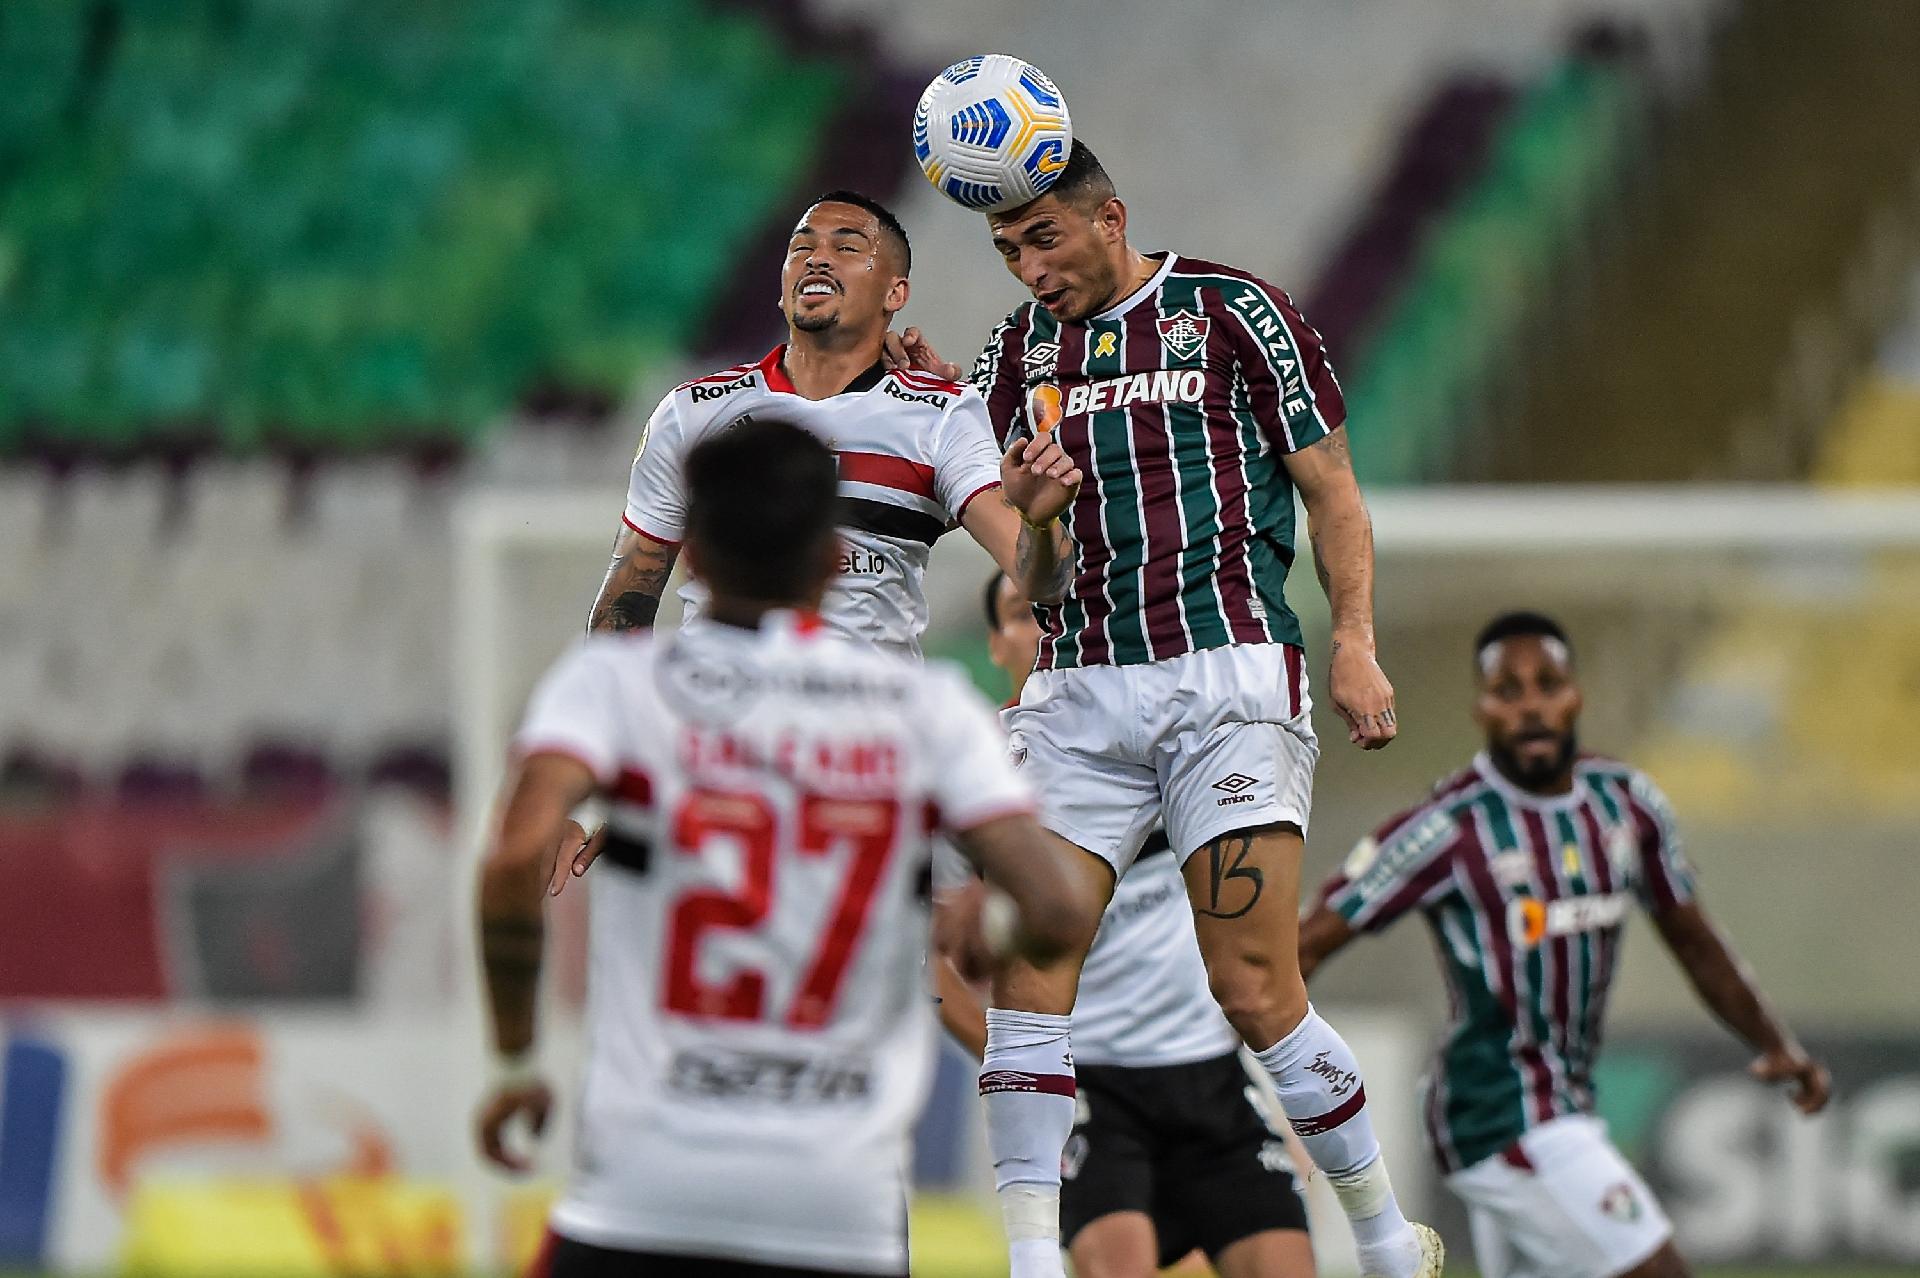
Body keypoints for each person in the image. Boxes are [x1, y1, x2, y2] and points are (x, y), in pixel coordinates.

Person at [891, 141, 1439, 1278]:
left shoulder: (1233, 311)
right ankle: (1036, 1263)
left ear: (1109, 217)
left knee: (1253, 984)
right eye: (1005, 250)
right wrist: (1034, 519)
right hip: (1078, 689)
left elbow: (1332, 488)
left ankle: (1387, 1241)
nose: (1029, 268)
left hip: (1226, 675)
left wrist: (1354, 642)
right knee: (1029, 980)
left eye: (1043, 238)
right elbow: (1029, 582)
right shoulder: (1013, 357)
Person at [473, 419, 1099, 1277]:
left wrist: (514, 1061)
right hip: (837, 1203)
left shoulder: (616, 688)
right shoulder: (925, 710)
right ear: (831, 562)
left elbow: (511, 861)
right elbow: (1058, 906)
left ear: (691, 555)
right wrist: (980, 925)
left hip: (645, 1187)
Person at [1298, 611, 1832, 1278]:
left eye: (1547, 684)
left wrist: (1775, 1045)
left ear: (1576, 693)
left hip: (1568, 1099)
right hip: (1499, 1109)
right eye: (1507, 690)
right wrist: (1269, 1080)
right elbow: (1303, 943)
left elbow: (1695, 941)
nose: (1530, 707)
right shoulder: (1447, 830)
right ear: (1481, 708)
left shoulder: (1626, 804)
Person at [933, 571, 1316, 1278]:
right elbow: (931, 960)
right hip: (1093, 1089)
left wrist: (1278, 1084)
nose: (1047, 625)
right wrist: (1027, 1073)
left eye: (1058, 609)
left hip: (1209, 1078)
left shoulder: (1180, 736)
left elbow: (1255, 932)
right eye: (1025, 614)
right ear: (995, 642)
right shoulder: (974, 776)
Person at [587, 188, 1079, 651]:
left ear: (895, 293)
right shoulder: (693, 411)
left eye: (847, 247)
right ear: (781, 291)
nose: (817, 258)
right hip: (724, 723)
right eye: (801, 249)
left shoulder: (943, 414)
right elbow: (625, 606)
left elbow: (1045, 584)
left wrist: (1039, 524)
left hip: (866, 727)